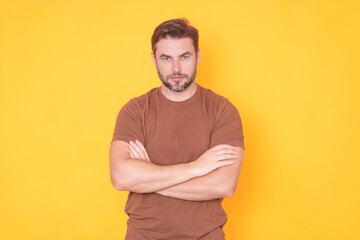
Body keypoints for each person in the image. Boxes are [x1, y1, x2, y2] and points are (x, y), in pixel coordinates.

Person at [109, 18, 245, 240]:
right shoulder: (135, 110)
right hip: (143, 235)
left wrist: (149, 176)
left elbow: (224, 184)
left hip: (205, 235)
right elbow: (121, 177)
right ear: (154, 60)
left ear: (198, 56)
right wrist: (196, 168)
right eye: (166, 58)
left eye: (184, 56)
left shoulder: (223, 110)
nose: (176, 68)